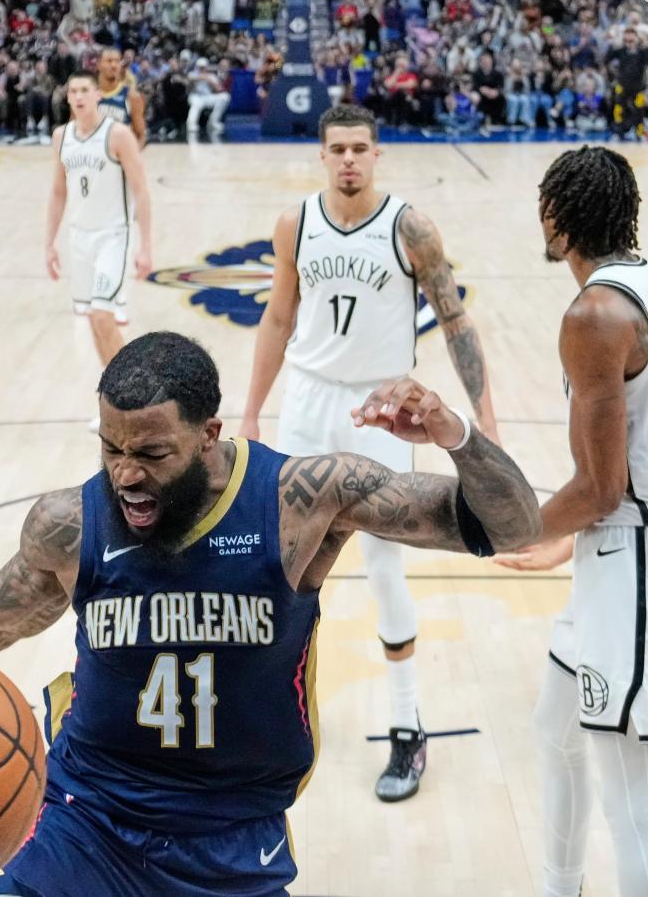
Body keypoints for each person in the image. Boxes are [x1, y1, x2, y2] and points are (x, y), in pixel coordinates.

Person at [0, 330, 543, 896]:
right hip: (87, 819)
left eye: (151, 452)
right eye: (111, 449)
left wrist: (455, 433)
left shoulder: (300, 499)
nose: (125, 473)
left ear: (210, 434)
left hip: (234, 836)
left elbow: (514, 526)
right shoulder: (71, 522)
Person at [240, 104, 500, 802]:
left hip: (382, 409)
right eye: (338, 149)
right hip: (308, 400)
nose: (349, 159)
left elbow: (455, 319)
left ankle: (407, 724)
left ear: (378, 153)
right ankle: (266, 716)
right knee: (283, 561)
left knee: (385, 565)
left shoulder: (411, 228)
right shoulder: (295, 223)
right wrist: (252, 408)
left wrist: (485, 418)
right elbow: (278, 317)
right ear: (322, 155)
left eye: (360, 147)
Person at [496, 146, 648, 897]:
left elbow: (602, 487)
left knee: (632, 800)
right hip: (626, 546)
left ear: (555, 218)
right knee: (555, 730)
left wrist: (506, 527)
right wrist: (566, 538)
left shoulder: (594, 313)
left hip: (639, 556)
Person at [45, 70, 152, 387]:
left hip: (113, 236)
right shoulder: (61, 137)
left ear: (97, 96)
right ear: (67, 97)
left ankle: (133, 391)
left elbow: (141, 190)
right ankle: (114, 392)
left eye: (84, 90)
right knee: (93, 319)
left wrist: (146, 247)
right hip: (79, 238)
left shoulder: (118, 135)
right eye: (73, 91)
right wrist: (49, 244)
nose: (78, 96)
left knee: (104, 316)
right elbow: (58, 192)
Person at [96, 46, 146, 146]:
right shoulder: (87, 95)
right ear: (98, 64)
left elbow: (141, 136)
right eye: (109, 61)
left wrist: (131, 153)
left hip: (119, 151)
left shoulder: (132, 96)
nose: (114, 65)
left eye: (117, 61)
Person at [185, 57, 230, 138]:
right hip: (195, 96)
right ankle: (191, 124)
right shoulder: (192, 74)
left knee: (225, 97)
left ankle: (213, 122)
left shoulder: (211, 76)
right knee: (196, 104)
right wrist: (199, 78)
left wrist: (209, 81)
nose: (202, 69)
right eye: (200, 67)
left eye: (203, 67)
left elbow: (219, 89)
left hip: (208, 97)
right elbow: (189, 81)